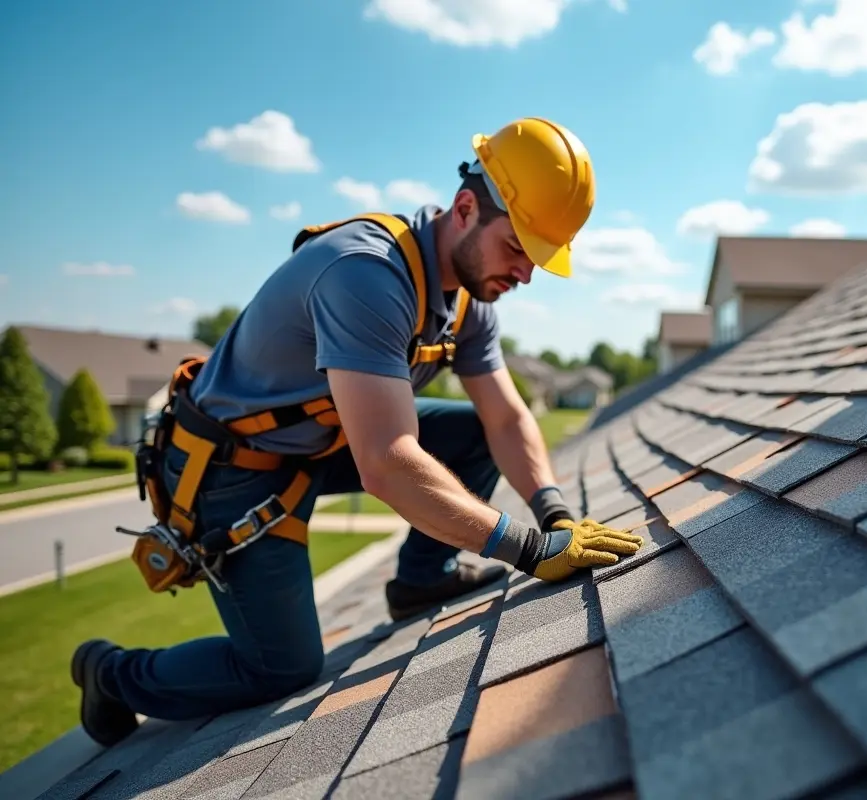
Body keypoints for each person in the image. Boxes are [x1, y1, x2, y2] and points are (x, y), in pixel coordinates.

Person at [69, 117, 644, 748]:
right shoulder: (366, 275)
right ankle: (112, 672)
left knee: (477, 429)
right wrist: (527, 549)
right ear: (465, 207)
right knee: (281, 667)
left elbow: (506, 418)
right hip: (233, 467)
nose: (526, 273)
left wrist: (553, 511)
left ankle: (423, 578)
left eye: (537, 257)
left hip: (321, 441)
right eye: (517, 248)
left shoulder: (469, 296)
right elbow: (388, 461)